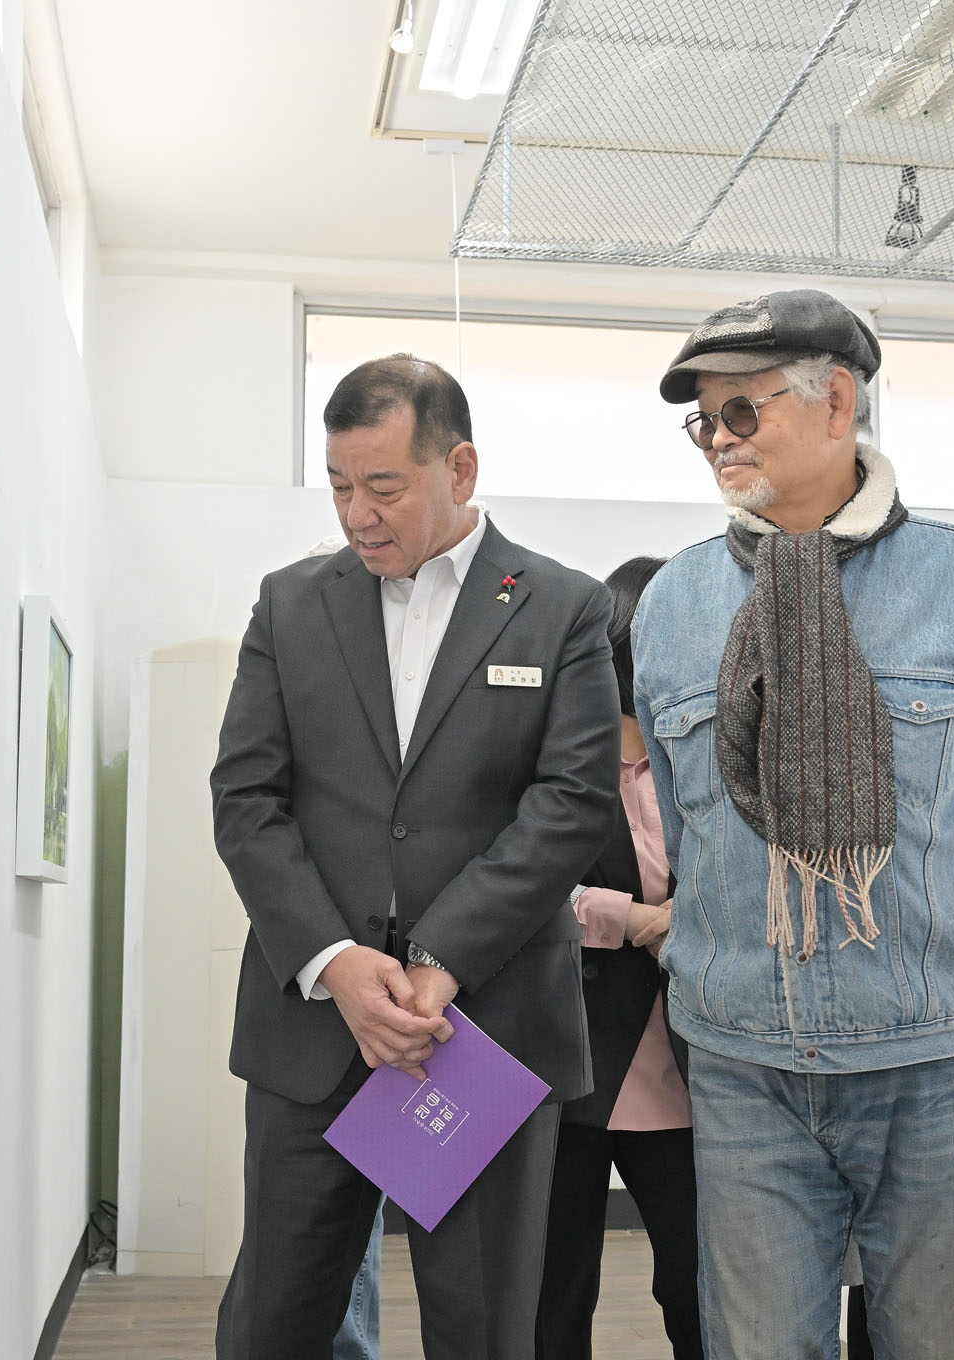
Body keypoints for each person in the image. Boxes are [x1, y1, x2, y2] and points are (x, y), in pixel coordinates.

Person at [633, 289, 954, 1359]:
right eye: (704, 421)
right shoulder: (673, 606)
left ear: (837, 403)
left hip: (944, 1062)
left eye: (743, 410)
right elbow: (687, 829)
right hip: (746, 1063)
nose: (720, 440)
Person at [209, 353, 619, 1360]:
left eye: (384, 487)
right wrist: (338, 964)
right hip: (316, 1028)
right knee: (273, 1324)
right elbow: (247, 799)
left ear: (459, 468)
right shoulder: (291, 604)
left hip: (479, 1030)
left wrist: (440, 959)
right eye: (339, 485)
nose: (358, 515)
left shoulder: (561, 607)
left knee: (480, 1328)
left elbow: (571, 802)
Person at [538, 556, 701, 1360]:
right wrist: (634, 919)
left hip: (689, 1068)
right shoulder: (557, 761)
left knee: (699, 1285)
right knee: (556, 1290)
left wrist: (692, 919)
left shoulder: (703, 762)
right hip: (570, 1060)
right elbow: (519, 887)